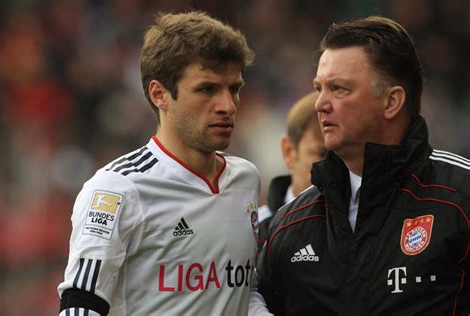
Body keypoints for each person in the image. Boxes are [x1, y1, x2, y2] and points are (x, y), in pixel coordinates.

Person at [257, 16, 470, 315]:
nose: (319, 104)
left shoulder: (460, 198)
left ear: (391, 102)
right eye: (319, 88)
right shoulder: (291, 224)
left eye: (339, 89)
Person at [58, 11, 266, 316]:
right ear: (160, 94)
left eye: (233, 89)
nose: (228, 105)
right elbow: (80, 307)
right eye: (207, 89)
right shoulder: (118, 189)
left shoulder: (246, 179)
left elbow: (242, 292)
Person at [257, 92, 326, 251]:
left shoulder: (361, 221)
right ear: (288, 151)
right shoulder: (255, 230)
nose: (333, 165)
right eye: (321, 154)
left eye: (339, 156)